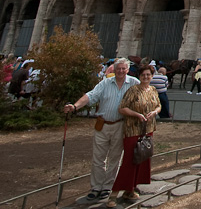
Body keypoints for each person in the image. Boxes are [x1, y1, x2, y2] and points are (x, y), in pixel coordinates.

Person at [63, 58, 139, 205]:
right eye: (118, 69)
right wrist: (75, 106)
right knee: (98, 158)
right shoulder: (105, 83)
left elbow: (145, 94)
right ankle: (96, 187)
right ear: (114, 69)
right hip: (102, 124)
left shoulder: (134, 83)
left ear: (128, 70)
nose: (121, 71)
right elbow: (90, 96)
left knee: (115, 159)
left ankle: (108, 187)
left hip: (121, 125)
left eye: (124, 69)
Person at [107, 64, 161, 207]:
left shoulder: (153, 90)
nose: (146, 77)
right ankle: (113, 194)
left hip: (148, 129)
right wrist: (137, 115)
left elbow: (158, 105)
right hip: (132, 130)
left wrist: (155, 112)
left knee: (142, 159)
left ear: (152, 76)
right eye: (143, 75)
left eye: (148, 75)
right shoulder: (133, 90)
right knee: (129, 161)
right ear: (139, 76)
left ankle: (130, 190)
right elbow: (122, 108)